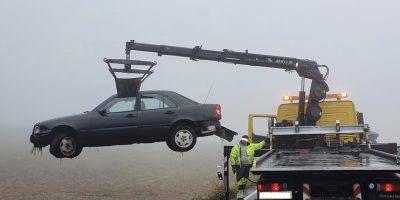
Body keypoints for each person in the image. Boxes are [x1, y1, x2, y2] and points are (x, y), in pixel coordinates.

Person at [229, 135, 267, 200]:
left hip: (247, 167)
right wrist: (233, 166)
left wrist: (265, 141)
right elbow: (232, 157)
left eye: (246, 140)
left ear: (247, 140)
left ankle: (241, 195)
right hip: (240, 167)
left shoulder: (251, 146)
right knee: (240, 182)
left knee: (244, 181)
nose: (244, 141)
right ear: (241, 139)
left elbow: (259, 145)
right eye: (243, 139)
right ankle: (239, 196)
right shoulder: (236, 147)